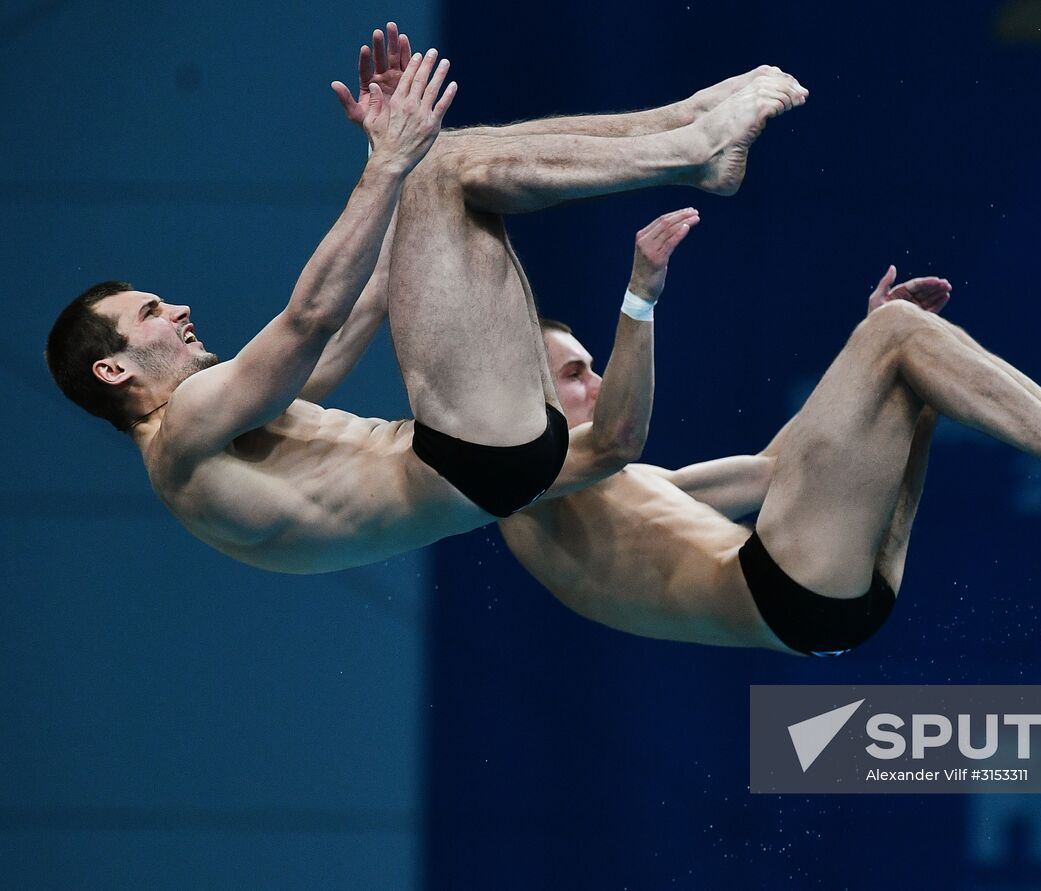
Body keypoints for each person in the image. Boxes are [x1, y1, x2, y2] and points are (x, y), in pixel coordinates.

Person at [43, 23, 806, 573]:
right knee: (438, 168)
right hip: (471, 454)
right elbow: (312, 319)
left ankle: (686, 127)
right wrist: (390, 169)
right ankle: (688, 146)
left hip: (491, 463)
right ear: (114, 369)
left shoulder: (221, 434)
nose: (175, 311)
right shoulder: (181, 438)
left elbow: (360, 309)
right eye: (148, 313)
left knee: (441, 165)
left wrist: (390, 162)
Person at [497, 249, 1041, 657]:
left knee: (903, 353)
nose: (596, 382)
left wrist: (861, 359)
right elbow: (622, 427)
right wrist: (640, 295)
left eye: (594, 367)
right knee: (897, 342)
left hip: (833, 599)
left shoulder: (623, 487)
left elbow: (774, 471)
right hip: (784, 590)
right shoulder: (521, 490)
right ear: (527, 395)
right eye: (574, 374)